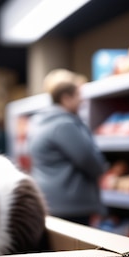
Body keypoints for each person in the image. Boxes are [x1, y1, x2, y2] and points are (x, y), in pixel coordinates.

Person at [27, 69, 108, 225]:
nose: (82, 101)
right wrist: (101, 166)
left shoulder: (39, 121)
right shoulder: (64, 124)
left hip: (49, 199)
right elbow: (88, 159)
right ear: (65, 98)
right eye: (78, 96)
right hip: (72, 205)